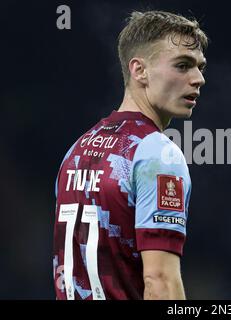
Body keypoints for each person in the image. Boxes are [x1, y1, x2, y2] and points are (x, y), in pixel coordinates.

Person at [52, 10, 208, 300]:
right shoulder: (158, 155)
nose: (198, 78)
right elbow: (160, 281)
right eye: (183, 65)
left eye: (200, 67)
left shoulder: (75, 151)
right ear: (139, 71)